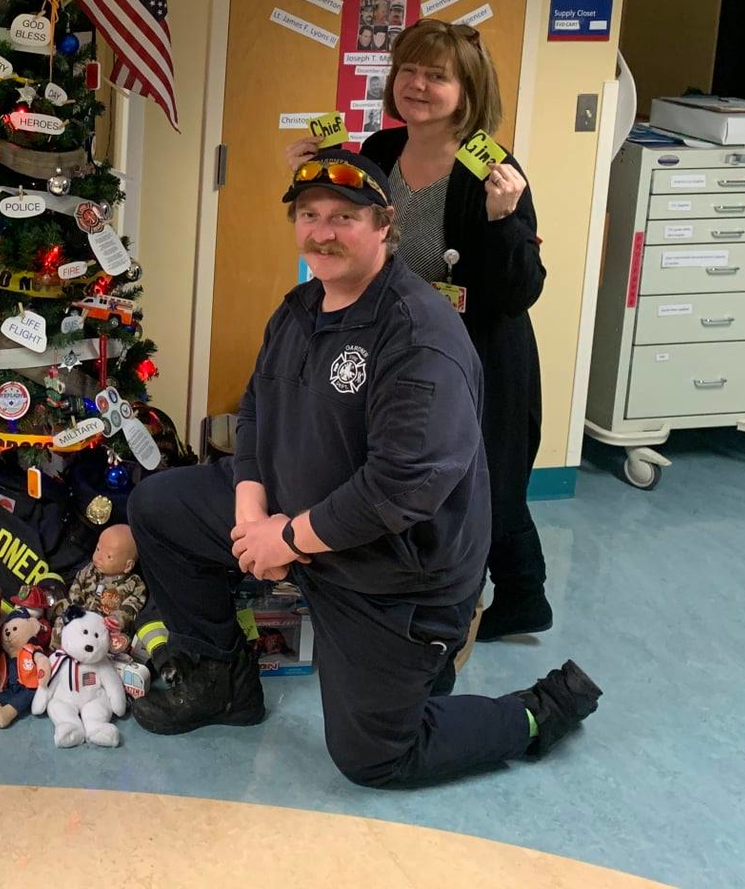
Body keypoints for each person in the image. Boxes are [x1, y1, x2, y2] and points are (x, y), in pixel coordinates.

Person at [125, 147, 599, 788]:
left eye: (345, 216)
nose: (323, 231)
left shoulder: (418, 331)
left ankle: (534, 715)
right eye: (309, 214)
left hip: (392, 570)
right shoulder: (298, 309)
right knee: (161, 506)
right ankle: (220, 682)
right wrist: (250, 517)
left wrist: (285, 539)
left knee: (377, 756)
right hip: (301, 527)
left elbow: (401, 487)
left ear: (385, 226)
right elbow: (258, 410)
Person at [289, 19, 551, 640]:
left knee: (487, 478)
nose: (419, 84)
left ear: (469, 90)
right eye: (409, 70)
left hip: (478, 354)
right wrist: (308, 172)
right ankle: (465, 592)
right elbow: (333, 228)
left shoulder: (493, 172)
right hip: (395, 345)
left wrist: (501, 219)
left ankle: (505, 598)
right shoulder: (378, 152)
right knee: (403, 465)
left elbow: (520, 292)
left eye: (438, 75)